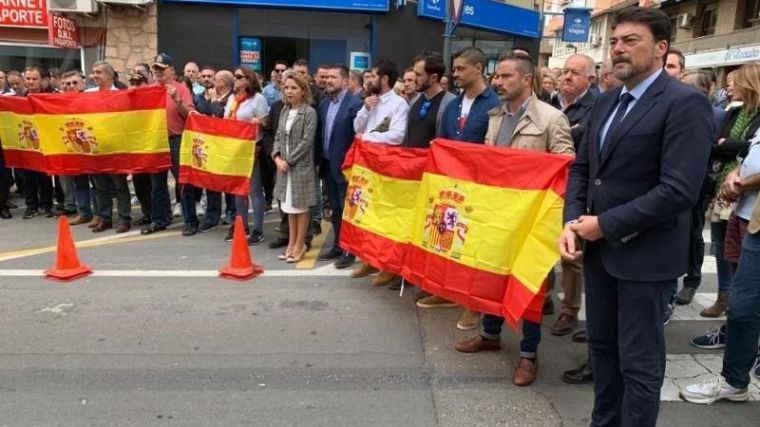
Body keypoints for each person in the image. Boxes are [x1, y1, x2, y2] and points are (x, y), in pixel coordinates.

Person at [559, 7, 712, 426]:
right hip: (599, 255)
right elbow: (584, 169)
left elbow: (678, 190)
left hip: (647, 258)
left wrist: (604, 225)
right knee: (603, 353)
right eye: (614, 42)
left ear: (662, 48)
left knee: (639, 365)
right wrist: (572, 222)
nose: (618, 50)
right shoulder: (608, 102)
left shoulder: (686, 104)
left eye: (631, 41)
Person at [455, 54, 574, 387]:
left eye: (506, 76)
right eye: (497, 76)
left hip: (533, 220)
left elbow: (566, 166)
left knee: (531, 285)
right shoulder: (495, 117)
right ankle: (491, 333)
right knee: (491, 275)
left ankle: (528, 355)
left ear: (526, 79)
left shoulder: (551, 119)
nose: (498, 82)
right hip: (497, 214)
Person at [679, 126, 760, 404]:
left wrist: (741, 182)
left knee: (744, 306)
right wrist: (736, 174)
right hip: (755, 223)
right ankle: (734, 381)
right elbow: (748, 154)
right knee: (742, 307)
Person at [417, 47, 499, 316]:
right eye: (454, 69)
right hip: (451, 188)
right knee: (448, 238)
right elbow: (442, 142)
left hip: (479, 189)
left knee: (474, 243)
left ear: (479, 67)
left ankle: (473, 301)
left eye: (461, 69)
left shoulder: (495, 105)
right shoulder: (451, 105)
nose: (455, 74)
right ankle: (445, 290)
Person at [684, 64, 760, 316]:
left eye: (735, 82)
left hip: (748, 199)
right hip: (721, 188)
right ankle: (724, 298)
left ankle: (738, 307)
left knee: (744, 257)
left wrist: (731, 146)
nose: (730, 87)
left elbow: (744, 147)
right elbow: (715, 142)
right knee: (722, 247)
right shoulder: (733, 112)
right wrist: (731, 146)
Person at [549, 54, 597, 337]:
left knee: (571, 253)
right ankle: (542, 298)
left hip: (576, 190)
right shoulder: (549, 103)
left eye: (574, 73)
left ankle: (569, 309)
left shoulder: (596, 108)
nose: (566, 76)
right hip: (546, 188)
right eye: (564, 71)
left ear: (590, 79)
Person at [141, 53, 196, 235]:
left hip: (176, 140)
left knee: (183, 182)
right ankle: (159, 219)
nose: (158, 73)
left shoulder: (180, 89)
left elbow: (190, 115)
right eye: (155, 70)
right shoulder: (149, 90)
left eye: (161, 70)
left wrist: (177, 100)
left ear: (171, 71)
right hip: (156, 141)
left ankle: (190, 220)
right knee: (157, 184)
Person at [315, 65, 364, 268]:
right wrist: (318, 162)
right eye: (327, 77)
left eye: (334, 77)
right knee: (335, 207)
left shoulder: (355, 104)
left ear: (345, 81)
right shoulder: (324, 104)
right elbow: (320, 136)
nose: (328, 80)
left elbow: (357, 137)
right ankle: (337, 244)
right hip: (327, 165)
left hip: (346, 167)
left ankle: (349, 249)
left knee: (347, 209)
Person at [272, 73, 317, 263]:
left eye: (294, 88)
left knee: (301, 207)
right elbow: (277, 137)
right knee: (289, 207)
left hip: (300, 167)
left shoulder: (309, 113)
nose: (289, 91)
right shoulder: (284, 111)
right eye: (287, 87)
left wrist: (288, 161)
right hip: (283, 167)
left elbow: (307, 141)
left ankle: (300, 245)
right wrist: (276, 157)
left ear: (303, 90)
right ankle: (291, 243)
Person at [84, 61, 132, 233]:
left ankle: (124, 218)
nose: (95, 75)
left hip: (116, 147)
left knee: (120, 186)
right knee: (100, 186)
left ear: (109, 75)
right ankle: (105, 218)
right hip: (95, 147)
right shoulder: (87, 94)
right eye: (93, 72)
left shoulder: (121, 95)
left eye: (99, 72)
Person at [224, 66, 269, 245]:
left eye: (239, 76)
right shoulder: (232, 99)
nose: (235, 79)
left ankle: (258, 229)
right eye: (235, 76)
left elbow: (266, 122)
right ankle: (242, 225)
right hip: (235, 149)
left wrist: (258, 122)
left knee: (255, 190)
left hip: (251, 148)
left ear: (248, 80)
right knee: (238, 190)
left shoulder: (258, 99)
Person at [19, 66, 54, 219]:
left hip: (44, 143)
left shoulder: (49, 98)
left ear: (41, 80)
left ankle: (46, 205)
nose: (31, 82)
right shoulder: (18, 98)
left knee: (44, 177)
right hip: (26, 143)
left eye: (35, 79)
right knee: (27, 177)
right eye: (28, 79)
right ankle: (31, 206)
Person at [404, 51, 456, 148]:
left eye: (419, 75)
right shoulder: (414, 101)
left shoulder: (451, 103)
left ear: (433, 77)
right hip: (411, 161)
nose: (415, 79)